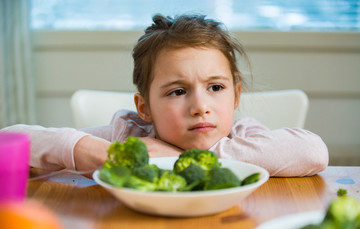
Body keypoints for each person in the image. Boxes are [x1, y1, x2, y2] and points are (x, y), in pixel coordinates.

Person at [1, 14, 328, 177]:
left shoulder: (244, 135)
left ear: (236, 95)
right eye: (177, 91)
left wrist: (179, 163)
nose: (201, 107)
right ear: (144, 108)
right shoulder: (128, 137)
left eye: (216, 88)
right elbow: (9, 143)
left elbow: (313, 150)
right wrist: (106, 154)